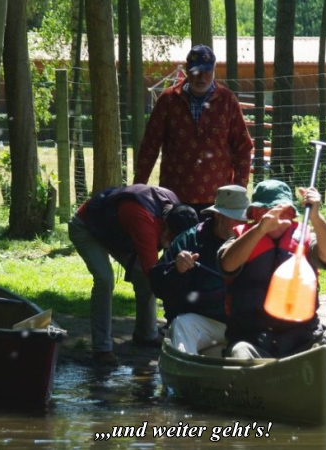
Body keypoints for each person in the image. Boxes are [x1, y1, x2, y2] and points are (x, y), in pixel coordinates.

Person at [68, 184, 198, 366]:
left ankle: (146, 334)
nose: (170, 245)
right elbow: (155, 277)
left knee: (144, 279)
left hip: (118, 232)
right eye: (171, 240)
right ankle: (102, 349)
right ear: (167, 228)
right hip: (86, 227)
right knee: (105, 279)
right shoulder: (144, 221)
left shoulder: (176, 210)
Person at [218, 179, 326, 359]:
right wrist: (260, 230)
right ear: (255, 213)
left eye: (284, 211)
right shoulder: (241, 238)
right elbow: (227, 264)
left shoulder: (304, 237)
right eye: (266, 210)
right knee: (240, 353)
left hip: (303, 337)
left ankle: (312, 364)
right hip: (253, 337)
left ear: (292, 214)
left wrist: (316, 217)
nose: (277, 216)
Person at [133, 44, 254, 217]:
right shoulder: (168, 100)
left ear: (214, 69)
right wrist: (138, 190)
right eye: (196, 71)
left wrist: (238, 192)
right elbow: (149, 147)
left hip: (218, 202)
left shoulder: (227, 101)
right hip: (174, 199)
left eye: (206, 71)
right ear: (187, 70)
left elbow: (243, 147)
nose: (201, 77)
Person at [149, 185, 250, 355]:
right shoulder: (189, 240)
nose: (241, 225)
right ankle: (185, 370)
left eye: (244, 220)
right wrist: (177, 269)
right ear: (218, 215)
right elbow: (158, 285)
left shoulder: (253, 238)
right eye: (235, 218)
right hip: (204, 324)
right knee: (181, 325)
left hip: (245, 325)